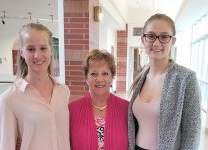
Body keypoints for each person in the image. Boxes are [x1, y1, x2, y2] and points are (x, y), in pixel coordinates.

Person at [128, 13, 201, 150]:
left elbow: (192, 134)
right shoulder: (141, 77)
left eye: (164, 37)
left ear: (172, 41)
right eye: (151, 36)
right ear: (143, 40)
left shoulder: (186, 79)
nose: (156, 43)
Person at [0, 23, 70, 150]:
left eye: (43, 48)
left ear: (51, 50)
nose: (37, 55)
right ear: (21, 53)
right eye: (30, 49)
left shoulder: (63, 92)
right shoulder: (9, 98)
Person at [69, 49, 129, 150]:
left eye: (105, 73)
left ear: (112, 77)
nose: (99, 79)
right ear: (86, 78)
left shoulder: (127, 109)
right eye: (93, 74)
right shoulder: (71, 110)